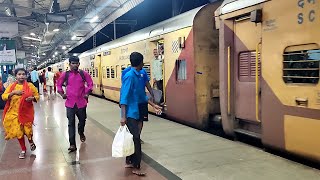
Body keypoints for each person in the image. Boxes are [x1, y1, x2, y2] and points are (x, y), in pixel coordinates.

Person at [120, 52, 161, 176]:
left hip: (138, 109)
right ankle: (136, 166)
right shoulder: (130, 76)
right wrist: (123, 116)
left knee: (134, 137)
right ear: (140, 62)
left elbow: (142, 96)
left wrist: (154, 105)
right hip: (130, 112)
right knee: (136, 138)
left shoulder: (140, 74)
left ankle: (129, 161)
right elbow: (124, 97)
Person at [57, 56, 93, 152]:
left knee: (82, 121)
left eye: (76, 63)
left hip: (81, 103)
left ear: (79, 64)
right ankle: (72, 144)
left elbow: (90, 83)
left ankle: (81, 132)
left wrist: (87, 93)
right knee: (70, 123)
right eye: (72, 63)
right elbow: (59, 84)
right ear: (69, 64)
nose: (74, 65)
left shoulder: (83, 74)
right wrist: (62, 93)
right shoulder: (66, 75)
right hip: (70, 104)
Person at [1, 68, 39, 159]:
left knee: (27, 130)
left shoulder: (30, 86)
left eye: (23, 74)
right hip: (14, 113)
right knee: (19, 131)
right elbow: (4, 96)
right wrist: (13, 93)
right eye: (19, 74)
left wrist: (32, 98)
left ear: (26, 76)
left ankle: (30, 141)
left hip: (26, 112)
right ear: (16, 76)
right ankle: (23, 149)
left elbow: (37, 95)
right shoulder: (12, 87)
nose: (21, 76)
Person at [121, 67, 155, 144]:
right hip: (132, 103)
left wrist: (152, 94)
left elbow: (147, 83)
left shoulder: (143, 72)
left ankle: (137, 137)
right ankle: (134, 138)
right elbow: (124, 88)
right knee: (133, 122)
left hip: (142, 101)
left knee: (141, 120)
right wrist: (123, 112)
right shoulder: (127, 73)